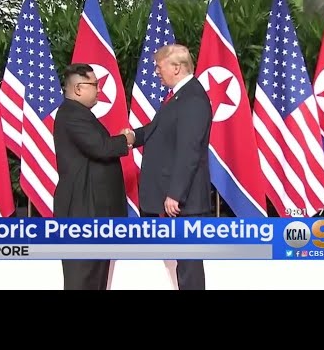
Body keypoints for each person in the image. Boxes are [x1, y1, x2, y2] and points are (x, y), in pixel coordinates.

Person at [123, 43, 213, 290]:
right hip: (179, 198)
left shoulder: (192, 98)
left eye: (158, 66)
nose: (156, 71)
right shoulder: (179, 97)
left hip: (186, 201)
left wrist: (175, 193)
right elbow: (157, 129)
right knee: (183, 264)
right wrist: (132, 137)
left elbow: (189, 150)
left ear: (176, 67)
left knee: (189, 267)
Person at [53, 63, 134, 290]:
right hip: (82, 212)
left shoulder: (80, 114)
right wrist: (125, 140)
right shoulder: (71, 114)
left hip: (93, 211)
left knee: (96, 278)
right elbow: (100, 147)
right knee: (83, 278)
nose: (99, 90)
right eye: (95, 85)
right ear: (78, 88)